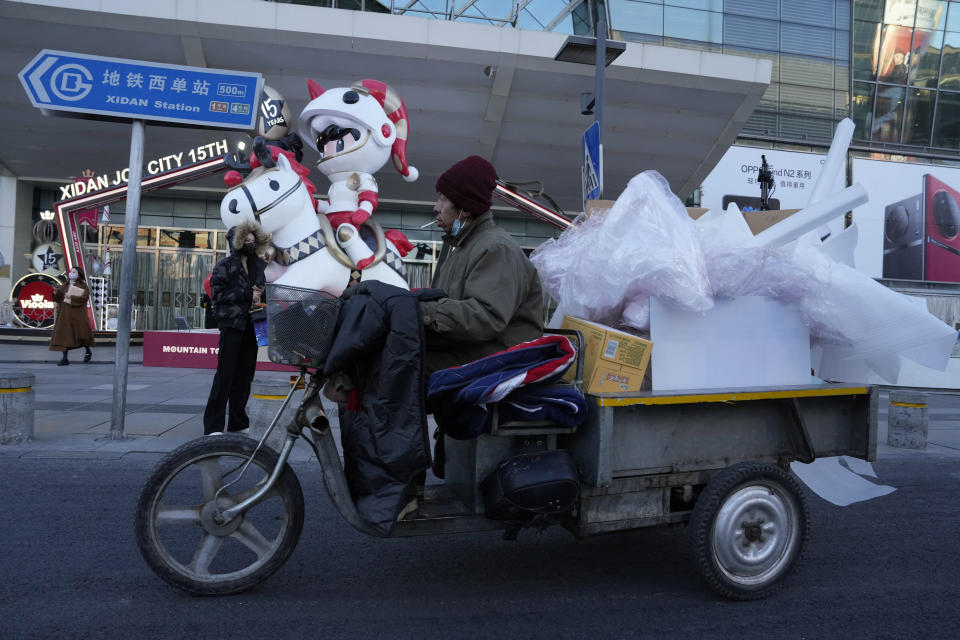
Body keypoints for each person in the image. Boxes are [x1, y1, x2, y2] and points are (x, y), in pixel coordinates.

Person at [421, 155, 544, 375]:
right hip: (471, 352)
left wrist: (424, 312)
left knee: (401, 367)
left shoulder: (495, 248)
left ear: (465, 209)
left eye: (443, 199)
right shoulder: (463, 248)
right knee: (397, 354)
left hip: (496, 361)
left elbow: (486, 317)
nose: (436, 207)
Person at [202, 222, 268, 435]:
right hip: (232, 325)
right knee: (225, 375)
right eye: (246, 241)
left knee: (245, 376)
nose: (250, 244)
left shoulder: (259, 265)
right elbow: (219, 295)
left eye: (252, 240)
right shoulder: (225, 266)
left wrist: (262, 294)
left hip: (252, 325)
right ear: (236, 243)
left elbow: (264, 292)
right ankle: (213, 425)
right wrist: (250, 295)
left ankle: (238, 422)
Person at [49, 266, 95, 366]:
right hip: (65, 315)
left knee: (82, 335)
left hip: (77, 314)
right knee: (65, 335)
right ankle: (65, 358)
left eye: (74, 272)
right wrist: (55, 292)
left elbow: (84, 297)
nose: (71, 273)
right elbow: (58, 298)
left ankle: (88, 350)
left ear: (79, 274)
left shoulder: (83, 285)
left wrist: (71, 297)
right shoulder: (65, 285)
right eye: (71, 272)